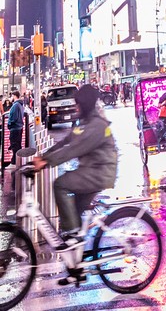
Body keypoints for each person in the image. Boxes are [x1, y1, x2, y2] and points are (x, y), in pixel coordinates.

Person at [31, 85, 117, 245]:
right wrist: (43, 156)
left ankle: (73, 236)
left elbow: (73, 149)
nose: (75, 106)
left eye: (78, 104)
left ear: (84, 104)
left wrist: (46, 162)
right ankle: (76, 260)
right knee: (74, 212)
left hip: (100, 172)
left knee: (61, 184)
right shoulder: (83, 123)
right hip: (90, 170)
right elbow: (66, 142)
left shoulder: (97, 126)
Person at [6, 92, 27, 157]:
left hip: (14, 128)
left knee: (14, 146)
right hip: (19, 127)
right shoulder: (20, 105)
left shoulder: (15, 105)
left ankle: (14, 161)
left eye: (12, 96)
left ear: (15, 96)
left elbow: (13, 117)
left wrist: (9, 124)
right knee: (18, 145)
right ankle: (18, 160)